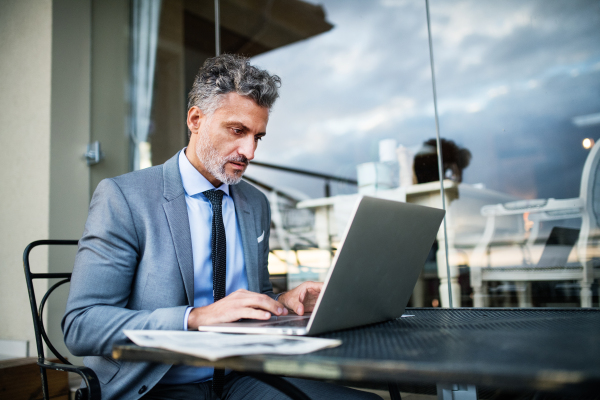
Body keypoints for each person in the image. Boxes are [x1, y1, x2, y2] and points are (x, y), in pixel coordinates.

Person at [63, 54, 381, 400]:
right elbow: (82, 326)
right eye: (237, 130)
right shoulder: (125, 197)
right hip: (158, 385)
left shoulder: (255, 203)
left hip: (241, 378)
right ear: (196, 119)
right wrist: (195, 318)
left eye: (258, 136)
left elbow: (248, 300)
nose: (250, 151)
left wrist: (284, 302)